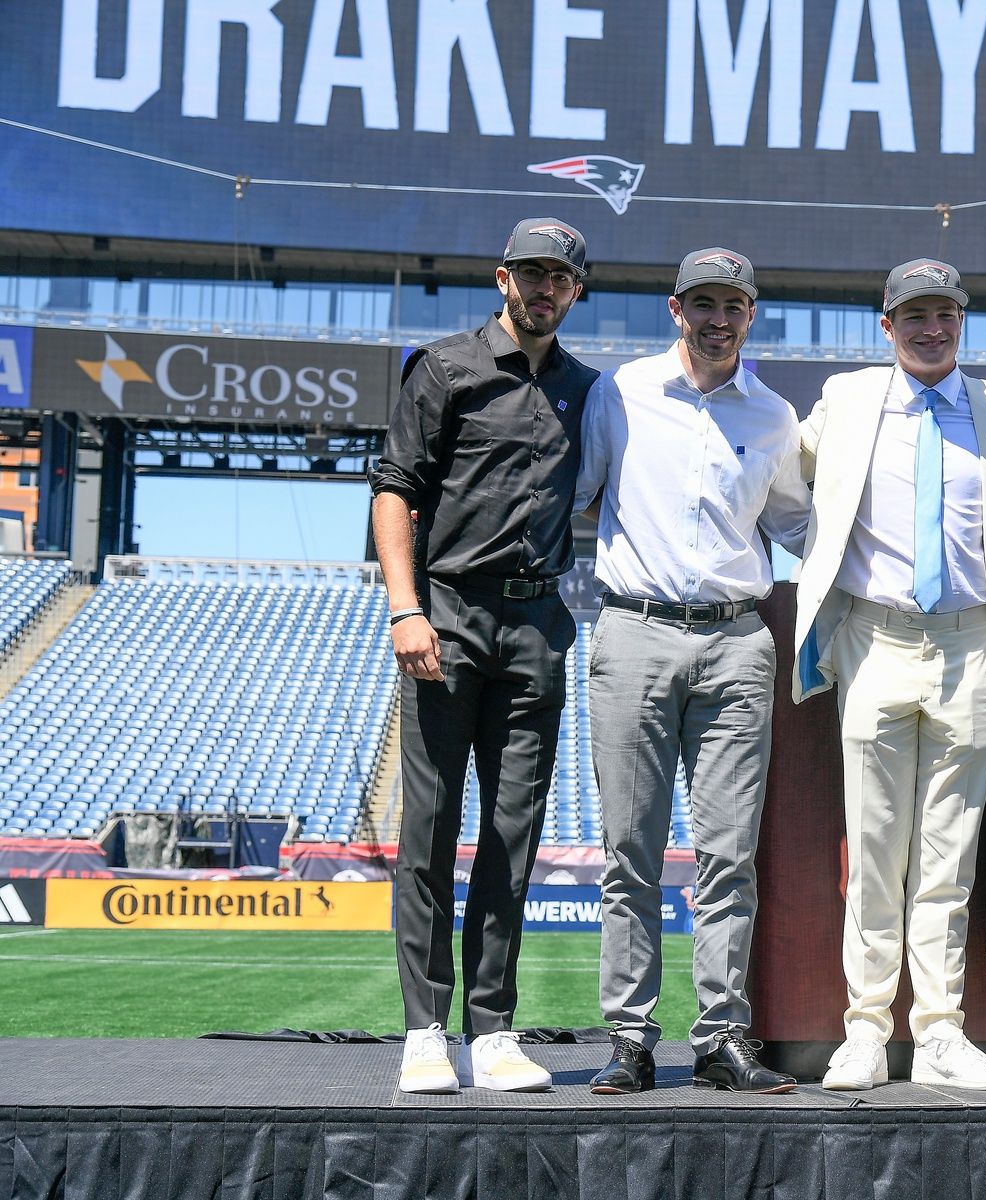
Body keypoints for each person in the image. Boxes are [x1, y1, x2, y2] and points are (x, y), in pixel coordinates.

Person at [371, 217, 598, 1094]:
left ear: (577, 292)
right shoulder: (445, 368)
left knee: (512, 840)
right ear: (503, 278)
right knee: (427, 833)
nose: (546, 290)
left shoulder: (587, 389)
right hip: (448, 617)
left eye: (562, 280)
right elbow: (396, 491)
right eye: (533, 274)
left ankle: (492, 1032)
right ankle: (425, 1030)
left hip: (537, 628)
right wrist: (405, 609)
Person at [792, 259, 986, 1091]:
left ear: (962, 321)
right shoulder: (848, 399)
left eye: (946, 315)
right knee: (874, 850)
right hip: (874, 638)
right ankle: (864, 1030)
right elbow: (786, 481)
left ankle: (937, 1034)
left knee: (947, 862)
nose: (933, 329)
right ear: (886, 327)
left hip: (971, 643)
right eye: (914, 317)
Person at [579, 248, 810, 1096]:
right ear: (677, 309)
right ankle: (631, 1040)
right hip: (634, 631)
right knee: (629, 854)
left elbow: (797, 526)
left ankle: (720, 1039)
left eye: (735, 305)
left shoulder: (775, 414)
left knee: (728, 857)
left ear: (752, 315)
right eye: (704, 302)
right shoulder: (621, 393)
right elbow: (575, 493)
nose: (719, 318)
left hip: (737, 640)